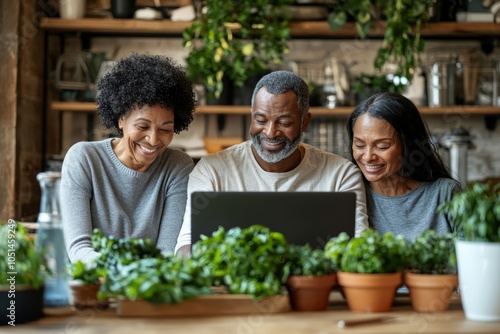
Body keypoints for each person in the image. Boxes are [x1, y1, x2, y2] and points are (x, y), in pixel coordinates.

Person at [175, 70, 368, 255]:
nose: (270, 132)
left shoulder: (341, 174)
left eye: (284, 123)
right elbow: (186, 247)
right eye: (260, 120)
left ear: (305, 122)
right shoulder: (212, 170)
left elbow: (359, 248)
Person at [60, 53, 196, 264]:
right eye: (142, 126)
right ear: (121, 118)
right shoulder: (84, 159)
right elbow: (79, 249)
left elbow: (167, 254)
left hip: (147, 291)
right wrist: (127, 273)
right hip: (92, 286)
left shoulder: (177, 167)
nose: (153, 139)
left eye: (165, 129)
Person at [346, 92, 462, 242]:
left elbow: (478, 257)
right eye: (359, 145)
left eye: (382, 146)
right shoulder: (350, 193)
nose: (368, 157)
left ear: (408, 145)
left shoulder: (445, 194)